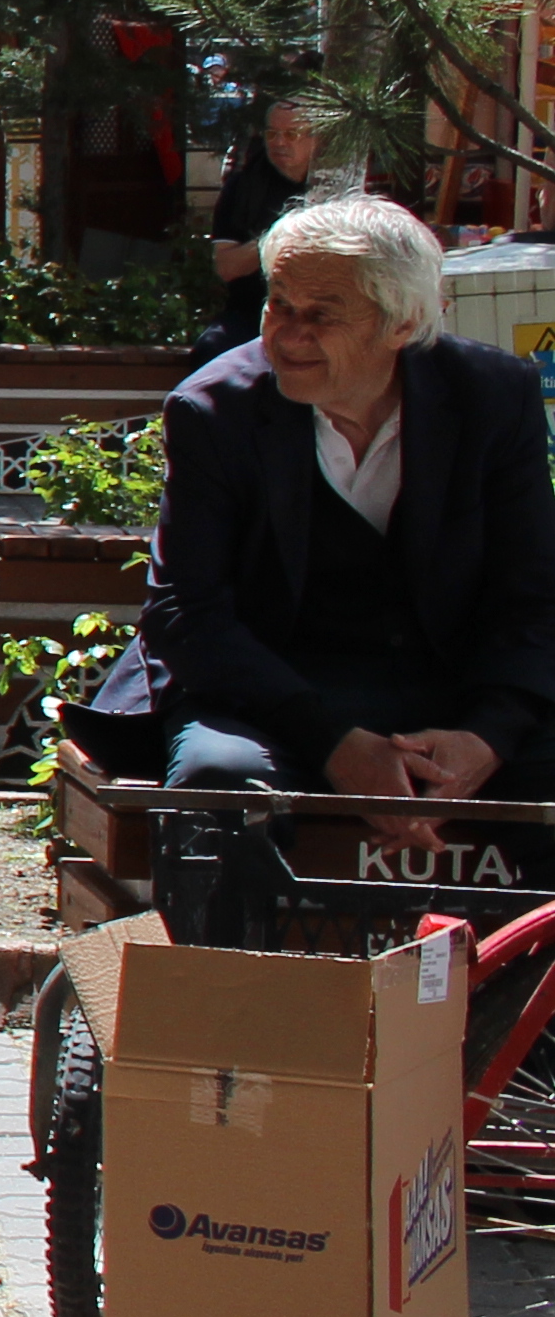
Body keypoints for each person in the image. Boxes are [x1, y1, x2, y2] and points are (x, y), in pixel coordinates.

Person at [131, 193, 555, 859]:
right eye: (279, 306)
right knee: (220, 788)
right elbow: (187, 610)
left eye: (321, 317)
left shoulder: (492, 397)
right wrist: (332, 743)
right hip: (273, 693)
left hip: (452, 684)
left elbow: (532, 590)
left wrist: (488, 736)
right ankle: (230, 966)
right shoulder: (215, 412)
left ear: (402, 323)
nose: (287, 336)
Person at [207, 94, 332, 352]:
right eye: (272, 134)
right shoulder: (243, 187)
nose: (279, 143)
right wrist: (281, 234)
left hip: (325, 312)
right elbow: (226, 267)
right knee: (212, 347)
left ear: (317, 138)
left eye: (291, 134)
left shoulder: (336, 186)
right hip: (254, 310)